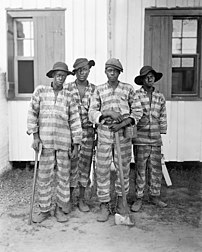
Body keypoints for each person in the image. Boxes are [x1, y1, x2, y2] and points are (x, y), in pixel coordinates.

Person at [27, 62, 82, 223]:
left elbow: (75, 121)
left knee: (63, 177)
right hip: (45, 143)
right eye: (58, 75)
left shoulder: (69, 96)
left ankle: (59, 208)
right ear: (52, 76)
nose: (61, 78)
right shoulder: (41, 92)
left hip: (64, 143)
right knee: (44, 177)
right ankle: (44, 210)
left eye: (63, 76)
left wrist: (76, 145)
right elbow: (32, 114)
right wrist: (35, 137)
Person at [88, 58, 143, 222]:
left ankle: (121, 203)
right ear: (105, 72)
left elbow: (137, 111)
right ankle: (104, 205)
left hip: (123, 135)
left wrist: (124, 123)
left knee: (123, 169)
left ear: (119, 73)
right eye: (109, 70)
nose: (112, 73)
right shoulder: (99, 90)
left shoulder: (128, 89)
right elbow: (92, 111)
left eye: (115, 71)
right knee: (102, 170)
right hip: (105, 134)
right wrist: (107, 114)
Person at [131, 65, 167, 212]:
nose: (149, 78)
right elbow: (134, 113)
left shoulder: (160, 97)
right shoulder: (136, 95)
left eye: (152, 76)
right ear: (142, 80)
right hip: (141, 138)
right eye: (147, 76)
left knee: (155, 168)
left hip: (155, 138)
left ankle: (154, 196)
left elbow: (163, 115)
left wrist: (162, 129)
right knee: (140, 168)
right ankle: (138, 197)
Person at [64, 58, 95, 212]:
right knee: (71, 165)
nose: (83, 73)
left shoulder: (94, 90)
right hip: (71, 133)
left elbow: (97, 112)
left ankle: (82, 200)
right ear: (75, 72)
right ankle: (68, 199)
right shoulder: (67, 89)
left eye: (86, 70)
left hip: (89, 133)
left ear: (89, 71)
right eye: (80, 70)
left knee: (85, 166)